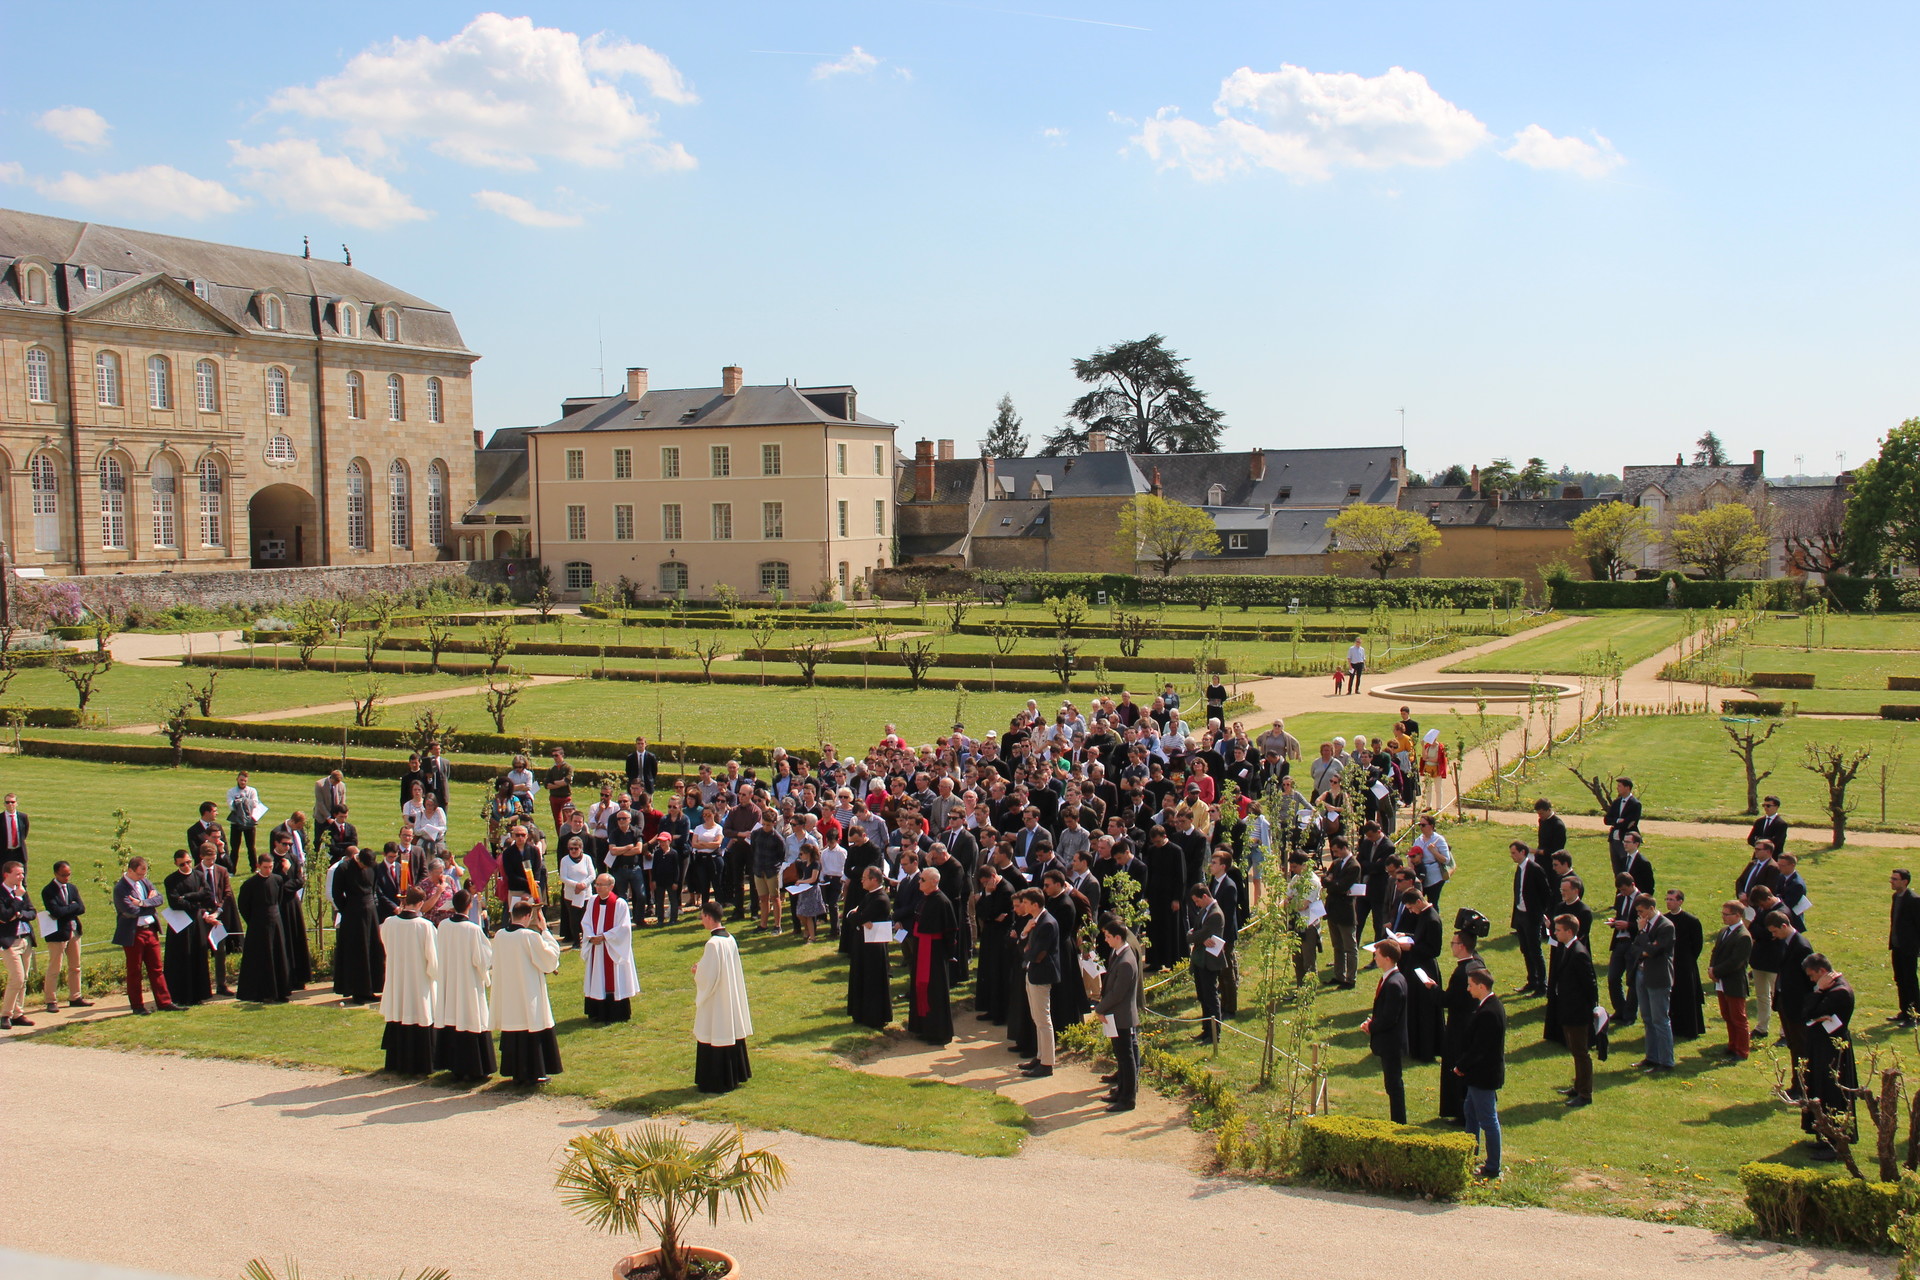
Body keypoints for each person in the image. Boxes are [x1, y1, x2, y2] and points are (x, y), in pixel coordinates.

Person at [493, 900, 562, 1086]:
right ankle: (533, 1072)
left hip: (509, 992)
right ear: (527, 916)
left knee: (515, 1027)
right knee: (531, 1025)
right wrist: (545, 931)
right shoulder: (529, 936)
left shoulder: (499, 935)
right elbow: (549, 958)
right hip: (528, 990)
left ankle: (516, 1071)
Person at [433, 889, 496, 1082]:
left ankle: (455, 1066)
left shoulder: (443, 926)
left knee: (454, 1016)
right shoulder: (473, 929)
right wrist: (486, 972)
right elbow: (483, 958)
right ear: (470, 906)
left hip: (450, 979)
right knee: (471, 1017)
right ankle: (476, 1067)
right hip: (468, 981)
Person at [1799, 953, 1857, 1159]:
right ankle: (1823, 1135)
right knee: (1818, 1088)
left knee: (1832, 1092)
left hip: (1832, 1051)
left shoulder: (1839, 992)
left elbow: (1807, 1012)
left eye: (1812, 976)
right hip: (1821, 1047)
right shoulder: (1830, 989)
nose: (1812, 980)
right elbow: (1809, 1013)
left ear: (1822, 972)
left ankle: (1836, 1142)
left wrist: (1818, 993)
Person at [693, 900, 753, 1093]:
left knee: (715, 1031)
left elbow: (708, 976)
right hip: (729, 993)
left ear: (709, 917)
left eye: (702, 917)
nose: (702, 921)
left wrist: (697, 971)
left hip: (718, 998)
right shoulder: (730, 938)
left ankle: (715, 1080)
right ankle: (735, 1074)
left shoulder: (713, 944)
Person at [379, 887, 439, 1075]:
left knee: (400, 1010)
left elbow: (386, 944)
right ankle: (420, 1063)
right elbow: (433, 957)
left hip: (397, 976)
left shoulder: (389, 923)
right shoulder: (425, 926)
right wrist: (435, 975)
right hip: (418, 979)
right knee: (418, 1011)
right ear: (421, 904)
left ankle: (397, 1061)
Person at [1455, 969, 1507, 1180]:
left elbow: (1480, 1048)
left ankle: (1493, 1166)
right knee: (1471, 1113)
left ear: (1481, 987)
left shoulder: (1488, 1012)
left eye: (1470, 985)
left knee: (1487, 1120)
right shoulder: (1493, 1006)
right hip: (1481, 1074)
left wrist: (1461, 1066)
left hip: (1483, 1076)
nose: (1468, 989)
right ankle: (1470, 1154)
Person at [113, 857, 181, 1015]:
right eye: (139, 874)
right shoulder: (120, 888)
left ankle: (164, 1002)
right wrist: (149, 905)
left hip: (150, 930)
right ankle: (137, 1006)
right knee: (134, 970)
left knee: (157, 968)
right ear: (130, 871)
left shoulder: (144, 882)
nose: (142, 878)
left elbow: (159, 899)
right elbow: (129, 911)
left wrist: (142, 903)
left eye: (144, 874)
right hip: (133, 933)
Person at [1095, 913, 1143, 1113]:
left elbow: (1117, 993)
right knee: (1122, 1055)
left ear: (1117, 937)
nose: (1105, 940)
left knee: (1126, 1057)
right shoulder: (1119, 954)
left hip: (1121, 1016)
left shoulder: (1125, 960)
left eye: (1107, 937)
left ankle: (1127, 1098)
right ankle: (1121, 1091)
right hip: (1117, 1015)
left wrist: (1099, 1008)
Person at [1548, 914, 1597, 1107]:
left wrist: (1589, 1009)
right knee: (1575, 1051)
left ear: (1569, 931)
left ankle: (1585, 1093)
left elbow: (1590, 985)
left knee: (1581, 1052)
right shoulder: (1566, 948)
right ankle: (1578, 1086)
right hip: (1568, 1009)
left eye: (1558, 930)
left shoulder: (1578, 953)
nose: (1555, 933)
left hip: (1578, 1012)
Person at [1439, 930, 1487, 1124]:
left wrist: (1432, 989)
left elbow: (1449, 1000)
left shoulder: (1461, 972)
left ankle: (1461, 1113)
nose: (1452, 946)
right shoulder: (1477, 962)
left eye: (1453, 943)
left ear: (1461, 946)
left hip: (1459, 1025)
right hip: (1471, 1021)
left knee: (1457, 1066)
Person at [905, 866, 957, 1046]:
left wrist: (949, 953)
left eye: (922, 880)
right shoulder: (924, 899)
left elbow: (950, 931)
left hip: (935, 954)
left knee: (934, 992)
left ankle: (938, 1033)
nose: (919, 882)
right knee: (919, 988)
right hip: (921, 949)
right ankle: (922, 1027)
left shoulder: (943, 902)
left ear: (934, 882)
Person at [1362, 937, 1410, 1123]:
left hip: (1391, 1042)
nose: (1375, 957)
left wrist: (1371, 1026)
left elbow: (1390, 1018)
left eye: (1378, 955)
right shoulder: (1393, 979)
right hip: (1390, 1040)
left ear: (1388, 958)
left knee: (1394, 1084)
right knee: (1392, 1083)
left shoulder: (1394, 984)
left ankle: (1399, 1122)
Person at [581, 873, 639, 1023]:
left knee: (612, 977)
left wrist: (605, 936)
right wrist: (591, 935)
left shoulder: (620, 904)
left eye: (601, 885)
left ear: (611, 886)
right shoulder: (592, 901)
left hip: (612, 948)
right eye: (596, 884)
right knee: (597, 977)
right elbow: (586, 921)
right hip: (596, 947)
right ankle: (597, 1012)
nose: (598, 888)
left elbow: (624, 928)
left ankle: (616, 1013)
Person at [161, 849, 215, 1006]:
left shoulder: (198, 875)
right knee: (181, 956)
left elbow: (206, 894)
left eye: (188, 862)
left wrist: (187, 897)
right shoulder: (171, 879)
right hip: (180, 923)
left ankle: (198, 993)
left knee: (197, 954)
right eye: (182, 864)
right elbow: (174, 902)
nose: (186, 866)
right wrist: (193, 902)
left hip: (196, 921)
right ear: (176, 864)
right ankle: (180, 994)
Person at [1014, 887, 1059, 1078]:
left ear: (1034, 904)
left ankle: (1047, 1063)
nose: (1022, 906)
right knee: (1037, 1018)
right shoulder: (1035, 922)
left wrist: (1027, 951)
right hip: (1033, 972)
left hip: (1041, 974)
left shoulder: (1047, 923)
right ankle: (1040, 1057)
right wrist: (1024, 934)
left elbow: (1038, 954)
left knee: (1043, 1020)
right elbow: (1024, 948)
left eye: (1025, 902)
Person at [235, 854, 292, 1003]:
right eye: (265, 867)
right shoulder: (249, 884)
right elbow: (243, 906)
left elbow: (278, 900)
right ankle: (261, 992)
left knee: (278, 955)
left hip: (276, 921)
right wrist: (254, 921)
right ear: (259, 866)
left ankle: (280, 991)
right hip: (258, 925)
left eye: (271, 867)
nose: (268, 870)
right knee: (261, 957)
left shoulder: (277, 880)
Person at [331, 847, 384, 1004]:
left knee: (373, 949)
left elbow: (374, 887)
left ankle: (372, 988)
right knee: (357, 952)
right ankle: (357, 991)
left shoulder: (373, 866)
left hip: (370, 911)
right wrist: (347, 910)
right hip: (353, 914)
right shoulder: (344, 868)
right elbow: (337, 893)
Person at [843, 866, 894, 1030]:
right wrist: (857, 917)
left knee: (872, 981)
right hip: (863, 945)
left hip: (874, 948)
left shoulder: (880, 899)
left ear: (874, 880)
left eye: (865, 878)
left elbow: (859, 916)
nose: (862, 880)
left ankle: (874, 1016)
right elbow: (851, 915)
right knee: (861, 977)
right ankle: (860, 1013)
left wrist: (858, 917)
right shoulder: (869, 896)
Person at [1631, 893, 1676, 1071]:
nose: (1640, 916)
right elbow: (1635, 948)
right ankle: (1652, 1057)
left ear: (1651, 908)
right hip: (1642, 973)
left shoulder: (1666, 926)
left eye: (1642, 911)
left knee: (1660, 1020)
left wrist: (1642, 934)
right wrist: (1644, 945)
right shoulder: (1644, 924)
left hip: (1658, 977)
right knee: (1647, 1019)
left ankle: (1666, 1061)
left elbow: (1653, 950)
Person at [40, 861, 91, 1013]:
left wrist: (68, 909)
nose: (66, 878)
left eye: (68, 874)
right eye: (63, 875)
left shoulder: (72, 888)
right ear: (56, 874)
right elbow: (56, 912)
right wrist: (72, 907)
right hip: (57, 934)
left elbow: (81, 908)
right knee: (55, 968)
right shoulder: (48, 891)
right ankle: (51, 1000)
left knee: (75, 967)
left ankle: (75, 997)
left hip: (74, 931)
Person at [1707, 900, 1753, 1059]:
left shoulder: (1744, 936)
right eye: (1723, 913)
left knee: (1738, 1018)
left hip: (1733, 982)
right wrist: (1711, 968)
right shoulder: (1724, 931)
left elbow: (1736, 962)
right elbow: (1716, 952)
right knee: (1727, 1015)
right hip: (1722, 981)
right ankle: (1732, 1045)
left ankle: (1742, 1050)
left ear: (1738, 915)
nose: (1723, 917)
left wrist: (1716, 971)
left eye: (1727, 914)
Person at [1509, 841, 1551, 997]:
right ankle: (1532, 980)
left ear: (1523, 852)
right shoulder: (1519, 869)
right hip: (1520, 914)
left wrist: (1539, 913)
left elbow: (1546, 894)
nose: (1512, 856)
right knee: (1525, 949)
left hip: (1532, 916)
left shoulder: (1535, 869)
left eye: (1514, 853)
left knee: (1535, 950)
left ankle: (1542, 985)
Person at [1188, 882, 1228, 1045]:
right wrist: (1197, 935)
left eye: (1197, 901)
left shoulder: (1215, 914)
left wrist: (1194, 936)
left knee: (1211, 997)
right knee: (1203, 996)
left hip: (1209, 961)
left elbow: (1196, 935)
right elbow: (1196, 932)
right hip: (1200, 959)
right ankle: (1206, 1030)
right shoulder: (1205, 910)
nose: (1196, 905)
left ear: (1205, 897)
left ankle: (1214, 1034)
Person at [1666, 888, 1707, 1040]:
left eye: (1672, 899)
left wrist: (1688, 959)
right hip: (1670, 963)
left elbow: (1697, 945)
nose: (1669, 902)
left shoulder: (1692, 921)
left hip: (1686, 964)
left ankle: (1691, 1029)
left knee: (1688, 997)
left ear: (1680, 901)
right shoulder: (1665, 919)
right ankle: (1675, 1028)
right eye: (1667, 899)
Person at [1324, 835, 1363, 989]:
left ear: (1344, 848)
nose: (1335, 854)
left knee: (1349, 947)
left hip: (1346, 912)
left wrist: (1331, 882)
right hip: (1333, 910)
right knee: (1337, 946)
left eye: (1336, 850)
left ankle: (1350, 978)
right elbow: (1326, 880)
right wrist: (1331, 881)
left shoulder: (1354, 866)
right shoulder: (1336, 863)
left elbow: (1341, 886)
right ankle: (1339, 975)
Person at [0, 861, 35, 1028]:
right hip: (9, 941)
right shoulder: (3, 893)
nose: (21, 877)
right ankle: (5, 1014)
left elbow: (32, 912)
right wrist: (18, 899)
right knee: (17, 978)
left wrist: (18, 912)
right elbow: (5, 916)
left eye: (22, 874)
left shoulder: (22, 890)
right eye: (18, 874)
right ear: (6, 874)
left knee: (24, 979)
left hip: (25, 939)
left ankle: (18, 1013)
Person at [1891, 869, 1920, 1028]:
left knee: (1910, 981)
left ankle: (1914, 1015)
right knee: (1900, 979)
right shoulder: (1896, 897)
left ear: (1905, 881)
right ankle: (1904, 1011)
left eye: (1895, 879)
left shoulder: (1914, 900)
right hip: (1897, 946)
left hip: (1909, 948)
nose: (1891, 881)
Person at [557, 835, 595, 947]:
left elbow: (592, 874)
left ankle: (586, 938)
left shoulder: (587, 858)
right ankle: (576, 941)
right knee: (574, 918)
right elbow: (563, 877)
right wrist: (576, 885)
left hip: (586, 893)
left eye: (576, 848)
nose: (573, 851)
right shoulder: (565, 860)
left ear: (581, 848)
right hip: (571, 894)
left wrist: (584, 884)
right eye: (571, 848)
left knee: (586, 917)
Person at [226, 771, 263, 869]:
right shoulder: (231, 791)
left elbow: (255, 803)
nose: (243, 782)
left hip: (249, 822)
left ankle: (254, 867)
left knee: (251, 847)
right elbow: (231, 806)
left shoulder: (252, 791)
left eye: (245, 780)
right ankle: (231, 869)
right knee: (234, 848)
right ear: (237, 779)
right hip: (236, 822)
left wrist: (242, 802)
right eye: (241, 780)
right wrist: (245, 803)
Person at [1605, 778, 1642, 869]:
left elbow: (1629, 823)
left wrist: (1615, 823)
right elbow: (1607, 820)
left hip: (1626, 839)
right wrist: (1618, 821)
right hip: (1614, 840)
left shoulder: (1635, 804)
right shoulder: (1616, 802)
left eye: (1619, 786)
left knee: (1626, 867)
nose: (1617, 788)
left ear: (1627, 788)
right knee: (1616, 867)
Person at [1, 793, 29, 871]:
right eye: (7, 802)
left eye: (12, 802)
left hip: (19, 852)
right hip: (4, 853)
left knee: (21, 878)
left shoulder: (23, 817)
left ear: (16, 803)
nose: (10, 804)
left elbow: (24, 834)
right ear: (4, 804)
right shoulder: (0, 818)